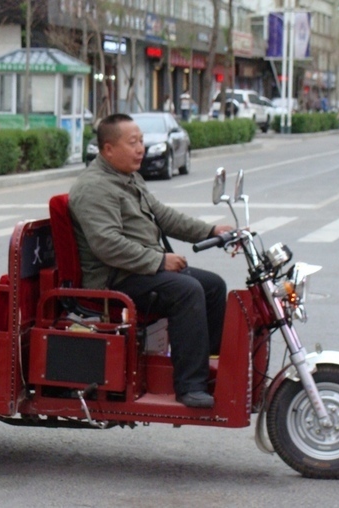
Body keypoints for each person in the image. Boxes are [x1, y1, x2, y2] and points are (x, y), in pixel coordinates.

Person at [69, 114, 232, 408]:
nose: (140, 149)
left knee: (213, 285)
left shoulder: (129, 178)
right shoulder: (94, 187)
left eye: (141, 141)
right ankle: (190, 385)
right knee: (187, 291)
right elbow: (107, 245)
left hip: (137, 270)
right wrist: (158, 261)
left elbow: (163, 216)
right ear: (108, 149)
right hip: (114, 279)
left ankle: (210, 365)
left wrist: (210, 231)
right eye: (133, 143)